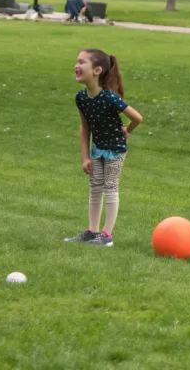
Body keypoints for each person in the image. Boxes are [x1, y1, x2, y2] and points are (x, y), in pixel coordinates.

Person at [65, 49, 143, 247]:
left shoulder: (109, 97)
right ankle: (92, 232)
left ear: (97, 70)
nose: (76, 66)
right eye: (76, 62)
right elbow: (84, 129)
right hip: (97, 149)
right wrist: (85, 157)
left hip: (115, 150)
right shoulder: (81, 98)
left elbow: (137, 117)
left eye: (82, 62)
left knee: (110, 187)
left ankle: (106, 235)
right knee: (95, 188)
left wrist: (127, 131)